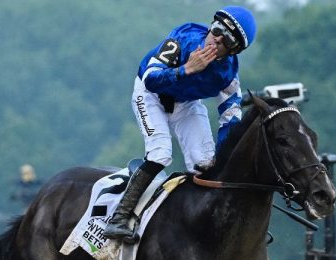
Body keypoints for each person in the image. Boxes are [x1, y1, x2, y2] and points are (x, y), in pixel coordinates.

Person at [104, 6, 257, 242]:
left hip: (186, 103)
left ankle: (198, 220)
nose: (215, 39)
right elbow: (151, 80)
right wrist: (186, 69)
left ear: (232, 50)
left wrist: (224, 157)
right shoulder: (185, 38)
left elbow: (231, 118)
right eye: (216, 30)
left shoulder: (228, 75)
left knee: (205, 164)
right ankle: (119, 218)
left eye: (225, 39)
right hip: (150, 95)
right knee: (160, 154)